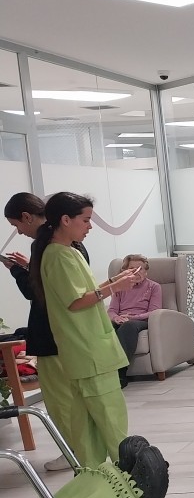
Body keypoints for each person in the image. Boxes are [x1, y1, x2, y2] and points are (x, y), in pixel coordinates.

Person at [29, 192, 143, 468]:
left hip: (86, 349)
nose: (90, 226)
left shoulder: (67, 252)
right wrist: (114, 288)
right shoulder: (59, 256)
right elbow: (76, 301)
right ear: (65, 220)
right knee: (111, 420)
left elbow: (83, 292)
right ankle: (129, 477)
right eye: (86, 220)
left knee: (88, 426)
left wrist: (114, 281)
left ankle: (95, 478)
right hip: (88, 349)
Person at [4, 193, 94, 471]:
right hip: (67, 333)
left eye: (17, 225)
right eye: (86, 220)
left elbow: (38, 291)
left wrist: (18, 272)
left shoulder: (49, 246)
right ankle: (81, 451)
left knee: (60, 399)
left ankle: (74, 452)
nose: (19, 231)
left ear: (27, 216)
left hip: (52, 332)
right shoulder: (67, 245)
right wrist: (28, 267)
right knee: (70, 397)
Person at [107, 253, 161, 388]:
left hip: (142, 320)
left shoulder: (154, 287)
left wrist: (132, 318)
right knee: (107, 326)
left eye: (140, 269)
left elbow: (154, 311)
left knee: (128, 326)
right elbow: (111, 310)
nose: (137, 272)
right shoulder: (120, 288)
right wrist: (116, 318)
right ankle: (105, 373)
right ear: (125, 271)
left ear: (146, 272)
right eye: (132, 269)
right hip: (122, 319)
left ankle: (121, 373)